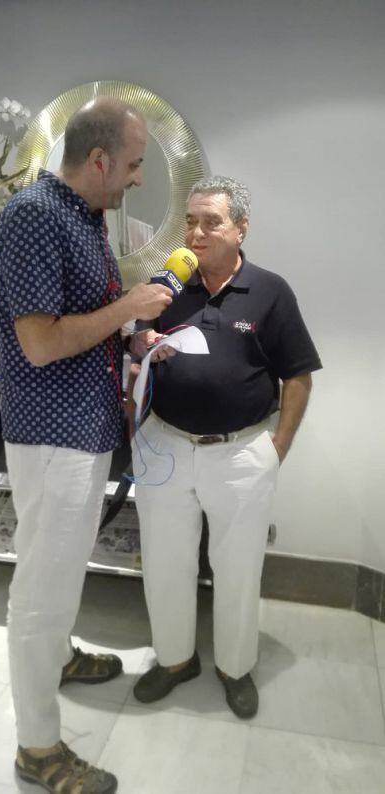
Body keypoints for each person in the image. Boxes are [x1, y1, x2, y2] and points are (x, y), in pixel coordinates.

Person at [0, 97, 172, 794]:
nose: (134, 179)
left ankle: (58, 658)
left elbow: (78, 319)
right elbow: (38, 346)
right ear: (97, 160)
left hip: (84, 424)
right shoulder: (34, 217)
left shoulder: (84, 217)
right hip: (52, 432)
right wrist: (127, 308)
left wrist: (133, 336)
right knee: (42, 586)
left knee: (60, 573)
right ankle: (37, 748)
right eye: (130, 165)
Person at [128, 175, 322, 720]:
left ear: (241, 228)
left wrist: (276, 448)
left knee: (237, 568)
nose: (196, 231)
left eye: (210, 221)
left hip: (240, 452)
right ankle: (174, 661)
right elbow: (137, 345)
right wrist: (139, 342)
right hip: (165, 446)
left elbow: (299, 375)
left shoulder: (270, 291)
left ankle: (235, 668)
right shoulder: (166, 286)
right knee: (164, 565)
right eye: (190, 221)